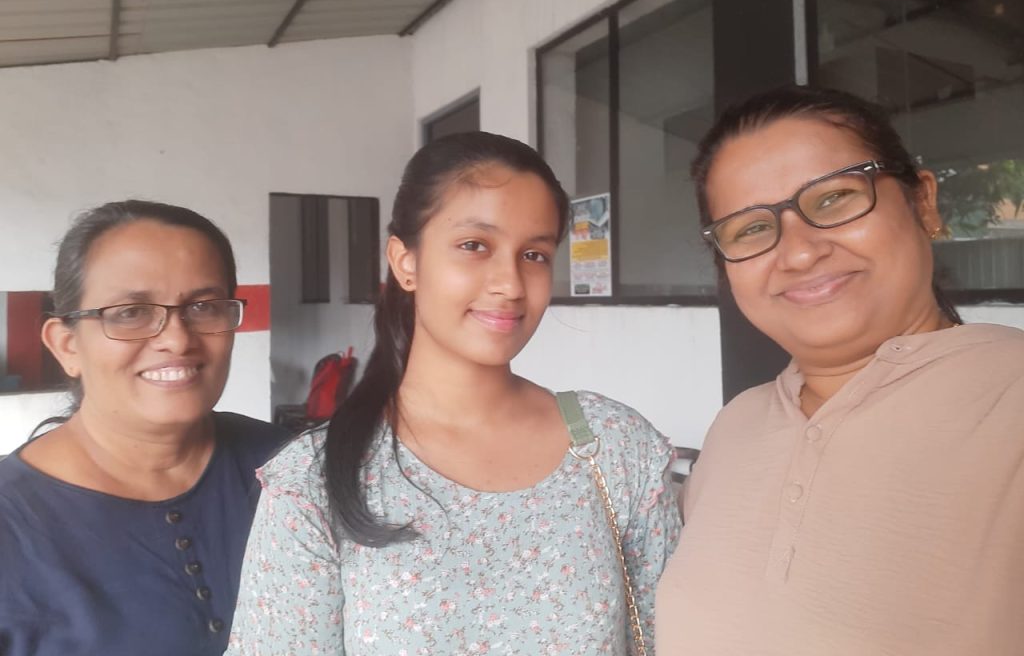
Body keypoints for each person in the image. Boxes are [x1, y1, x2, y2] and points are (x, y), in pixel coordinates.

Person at [228, 132, 680, 655]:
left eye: (534, 254)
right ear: (405, 262)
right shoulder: (314, 481)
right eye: (474, 246)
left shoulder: (615, 447)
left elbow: (671, 640)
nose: (511, 283)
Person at [656, 86, 1024, 655]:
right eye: (750, 228)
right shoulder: (736, 427)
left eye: (833, 198)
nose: (800, 252)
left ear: (923, 202)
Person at [0, 200, 291, 656]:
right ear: (66, 345)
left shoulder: (295, 468)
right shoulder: (12, 526)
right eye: (130, 312)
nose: (177, 339)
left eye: (204, 306)